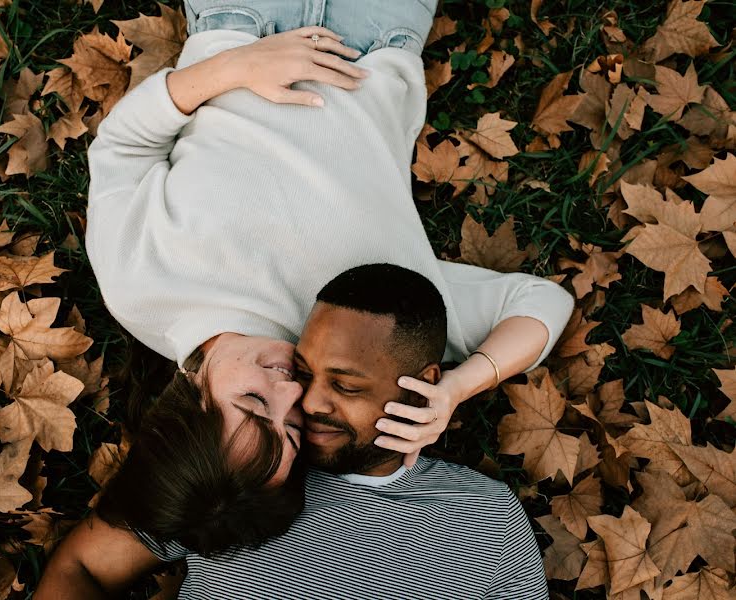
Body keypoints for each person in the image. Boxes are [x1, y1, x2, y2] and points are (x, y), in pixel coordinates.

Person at [82, 0, 573, 556]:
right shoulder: (349, 334)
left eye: (252, 400)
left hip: (239, 22)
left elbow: (123, 148)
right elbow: (540, 302)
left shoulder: (140, 290)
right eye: (292, 427)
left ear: (192, 393)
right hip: (378, 38)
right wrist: (456, 388)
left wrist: (234, 68)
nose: (291, 389)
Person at [36, 264, 551, 599]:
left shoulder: (486, 515)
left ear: (423, 386)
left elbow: (542, 301)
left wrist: (464, 384)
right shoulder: (244, 469)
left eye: (346, 387)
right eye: (303, 374)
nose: (306, 401)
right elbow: (84, 566)